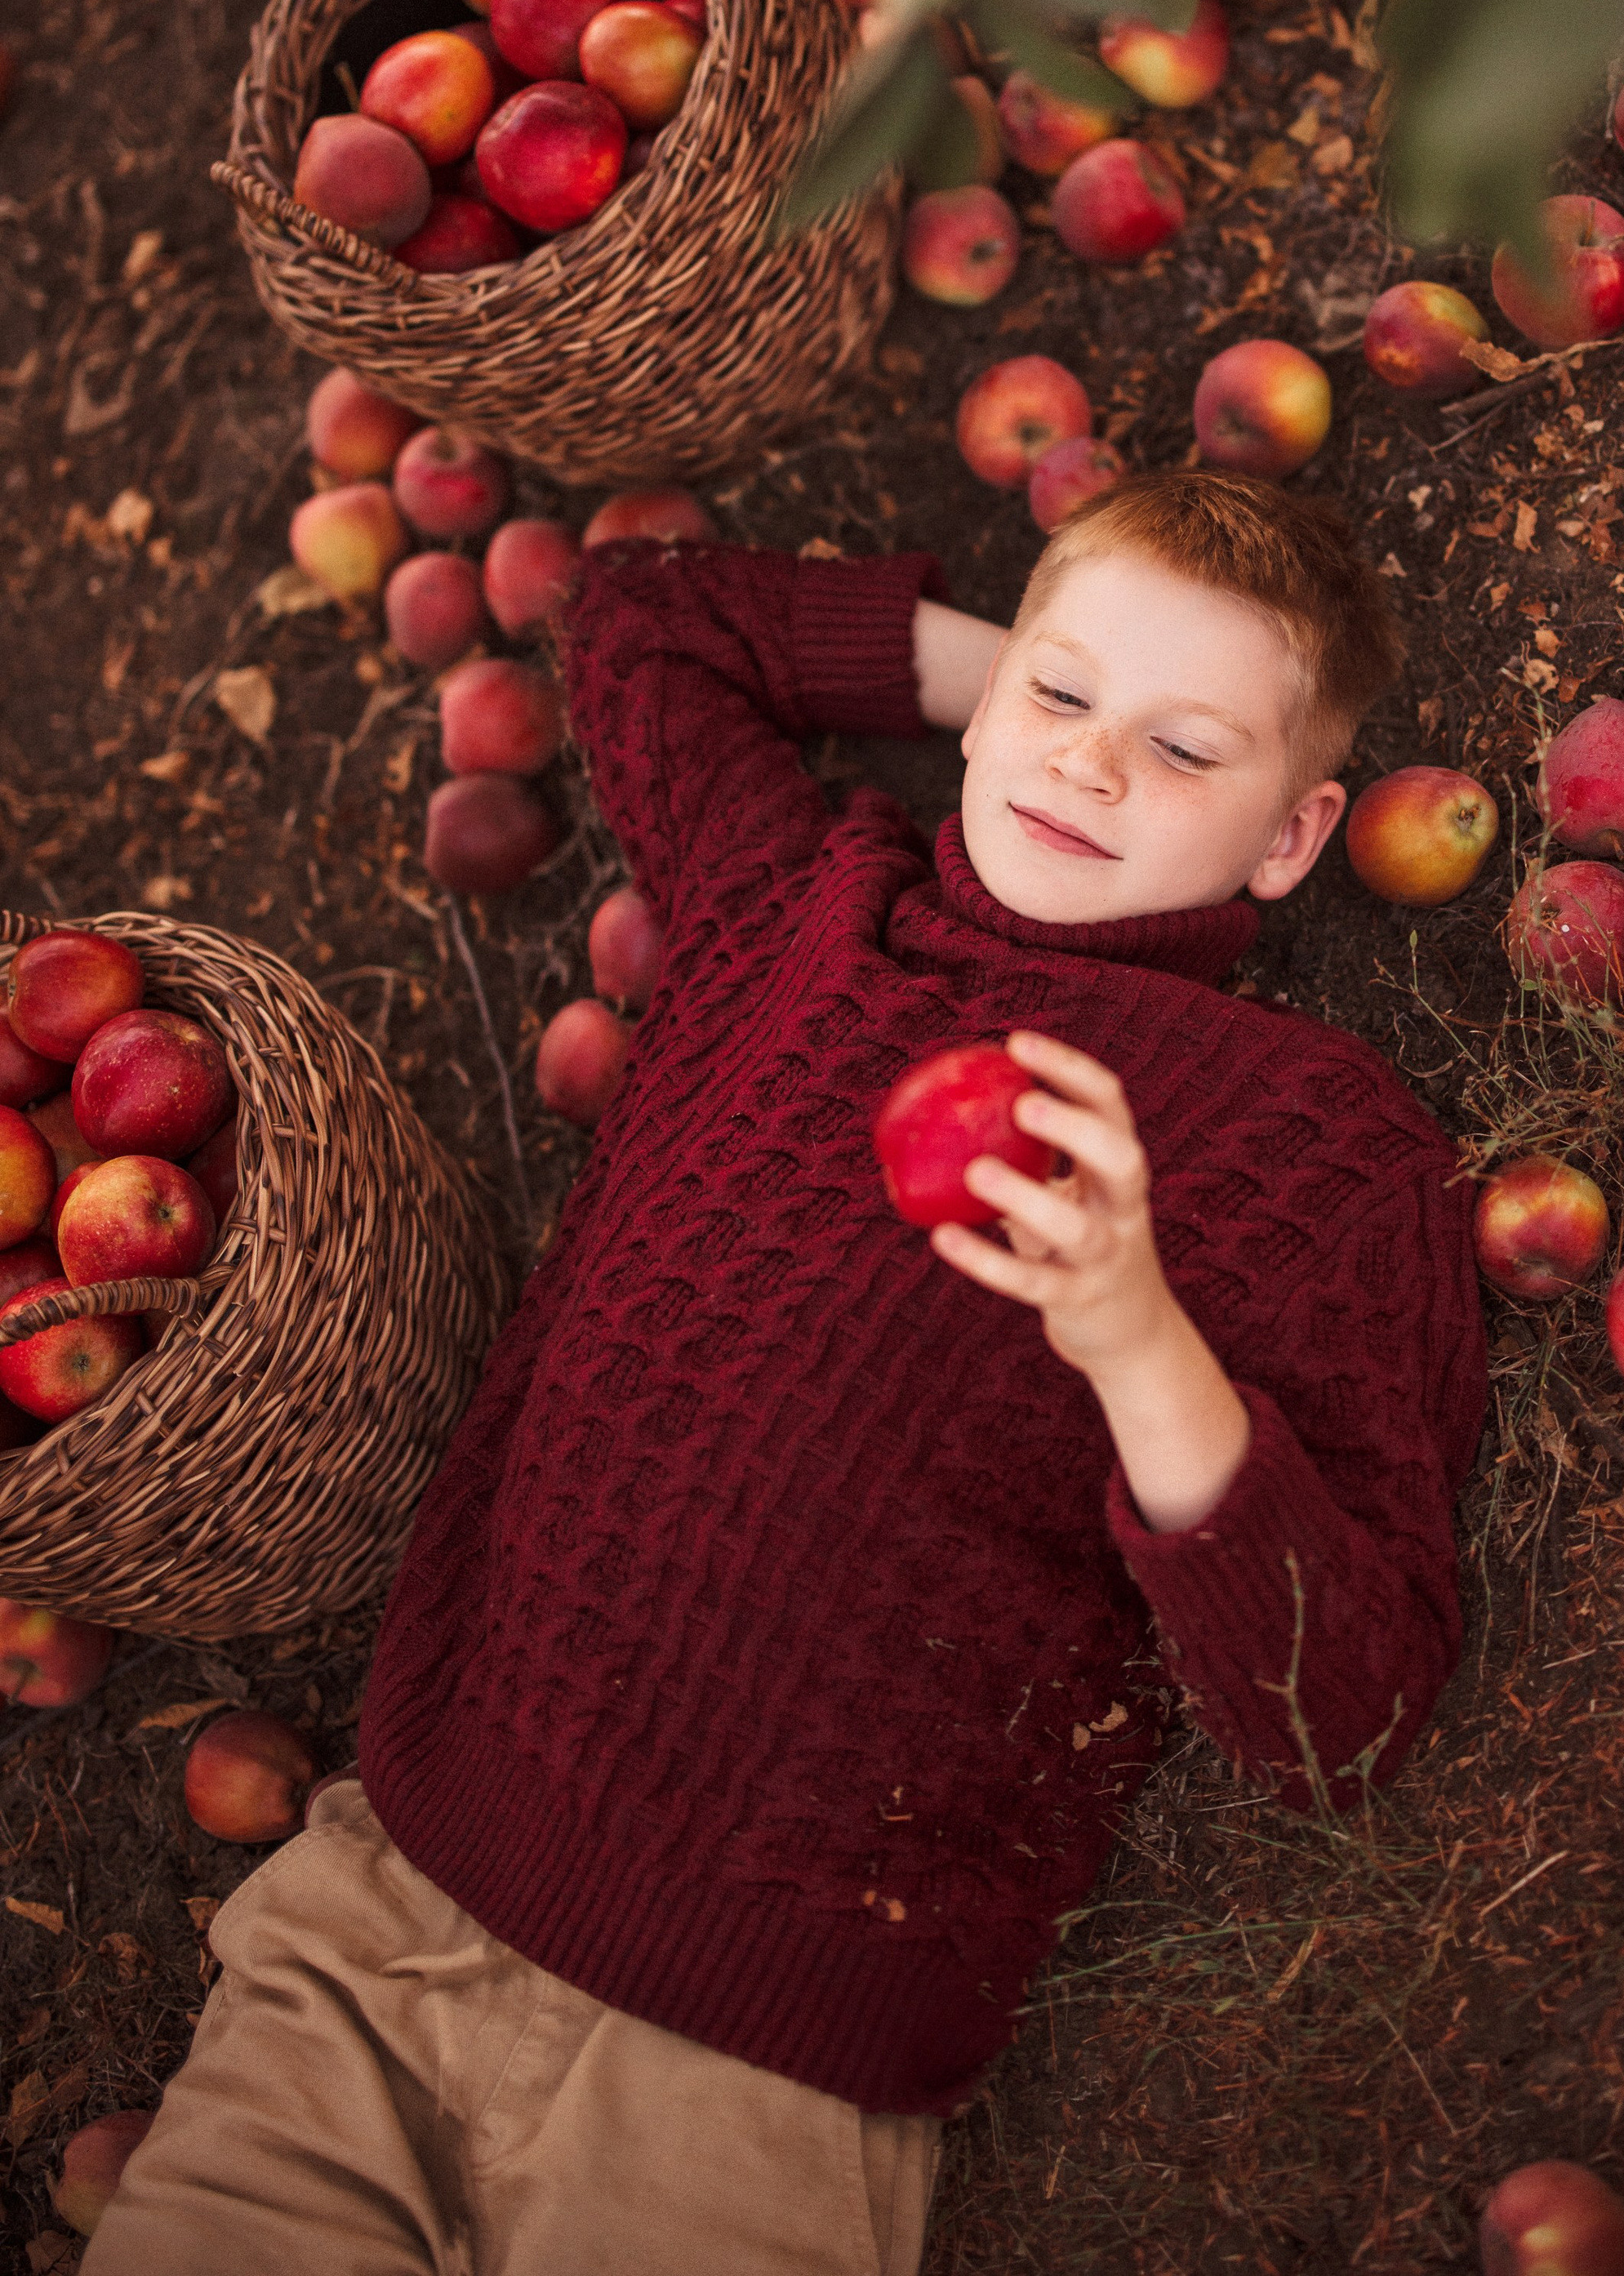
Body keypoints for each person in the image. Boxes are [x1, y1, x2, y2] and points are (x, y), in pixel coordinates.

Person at [87, 468, 1487, 2276]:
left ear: (1292, 840)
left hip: (760, 2072)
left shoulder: (1320, 1152)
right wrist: (1023, 677)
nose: (1089, 768)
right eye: (1060, 703)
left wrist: (1136, 1334)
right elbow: (646, 628)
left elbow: (1343, 1706)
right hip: (384, 1921)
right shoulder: (805, 904)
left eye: (1184, 749)